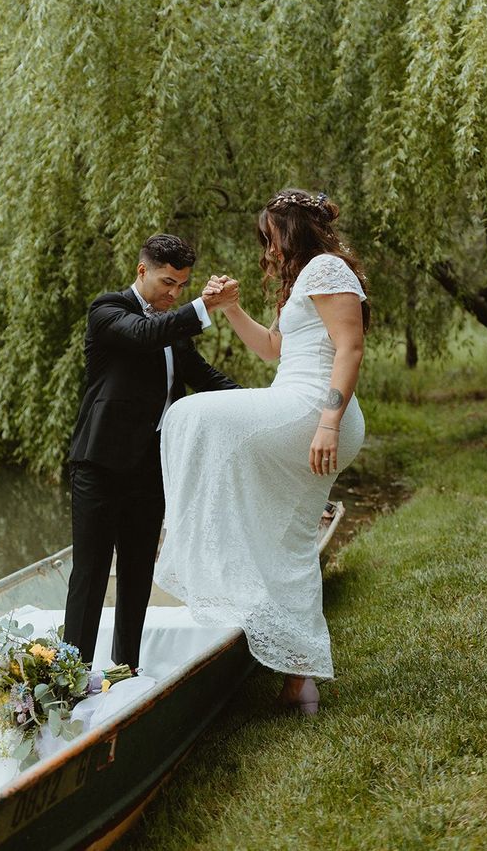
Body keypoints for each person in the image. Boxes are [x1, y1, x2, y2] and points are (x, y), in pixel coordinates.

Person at [154, 190, 369, 714]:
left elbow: (350, 346)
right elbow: (275, 350)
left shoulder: (325, 269)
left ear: (291, 229)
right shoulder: (305, 280)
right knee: (289, 539)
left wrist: (327, 422)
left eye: (269, 234)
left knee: (189, 415)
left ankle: (206, 561)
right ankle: (302, 680)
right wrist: (229, 309)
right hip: (298, 402)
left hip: (312, 408)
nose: (266, 246)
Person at [63, 233, 240, 672]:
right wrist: (201, 307)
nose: (174, 293)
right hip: (99, 465)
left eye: (182, 286)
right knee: (90, 574)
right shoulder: (108, 310)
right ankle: (72, 677)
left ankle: (125, 670)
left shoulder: (170, 323)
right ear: (142, 271)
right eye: (167, 283)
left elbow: (204, 375)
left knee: (138, 574)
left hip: (150, 468)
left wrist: (261, 404)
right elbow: (144, 336)